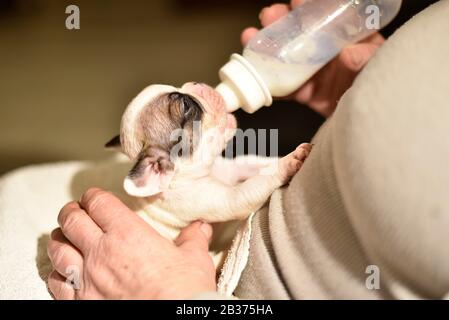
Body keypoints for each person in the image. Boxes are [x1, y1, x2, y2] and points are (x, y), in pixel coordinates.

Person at [46, 0, 449, 299]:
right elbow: (236, 196)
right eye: (185, 102)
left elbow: (235, 178)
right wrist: (366, 92)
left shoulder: (182, 174)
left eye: (182, 95)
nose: (195, 88)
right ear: (158, 169)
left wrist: (166, 294)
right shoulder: (181, 189)